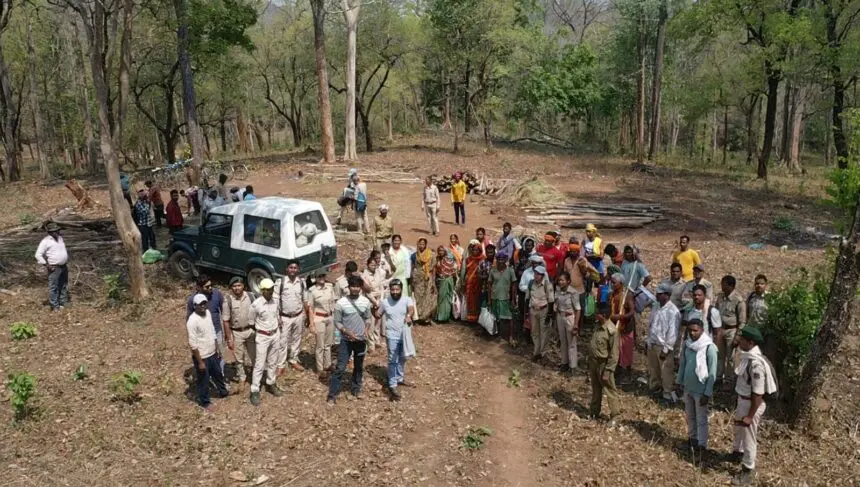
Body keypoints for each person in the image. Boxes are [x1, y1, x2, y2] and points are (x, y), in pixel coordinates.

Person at [731, 326, 778, 486]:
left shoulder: (756, 364)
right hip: (743, 400)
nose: (739, 341)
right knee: (739, 432)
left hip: (751, 405)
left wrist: (750, 416)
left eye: (742, 339)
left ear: (750, 342)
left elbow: (758, 395)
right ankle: (737, 453)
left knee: (749, 437)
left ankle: (748, 468)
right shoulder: (747, 357)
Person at [328, 275, 373, 404]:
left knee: (358, 366)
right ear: (349, 287)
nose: (355, 289)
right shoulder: (341, 303)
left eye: (357, 286)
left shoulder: (365, 302)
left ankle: (356, 389)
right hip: (346, 340)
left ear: (360, 288)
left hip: (360, 340)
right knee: (340, 368)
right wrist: (346, 331)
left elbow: (368, 318)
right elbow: (337, 322)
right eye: (353, 286)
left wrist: (367, 328)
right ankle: (332, 394)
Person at [676, 319, 717, 455]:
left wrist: (707, 393)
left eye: (695, 330)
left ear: (702, 330)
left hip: (701, 390)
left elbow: (712, 372)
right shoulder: (688, 345)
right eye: (690, 330)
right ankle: (692, 439)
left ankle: (702, 445)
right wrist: (679, 382)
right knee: (690, 416)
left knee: (701, 419)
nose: (692, 333)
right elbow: (683, 364)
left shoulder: (709, 348)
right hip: (688, 387)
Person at [374, 279, 415, 401]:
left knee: (403, 357)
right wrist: (373, 309)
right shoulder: (385, 302)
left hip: (404, 334)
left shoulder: (406, 299)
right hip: (391, 335)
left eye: (397, 289)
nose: (395, 292)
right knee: (393, 359)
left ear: (401, 289)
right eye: (393, 290)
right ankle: (392, 384)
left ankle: (400, 378)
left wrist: (408, 316)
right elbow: (378, 315)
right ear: (390, 290)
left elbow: (411, 309)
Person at [187, 294, 229, 411]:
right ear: (195, 306)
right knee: (204, 380)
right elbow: (193, 344)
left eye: (204, 303)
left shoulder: (208, 313)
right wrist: (200, 362)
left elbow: (212, 331)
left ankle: (223, 392)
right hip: (202, 356)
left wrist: (217, 348)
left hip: (212, 353)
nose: (203, 306)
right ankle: (204, 402)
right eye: (200, 304)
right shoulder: (192, 321)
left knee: (218, 374)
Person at [248, 278, 283, 406]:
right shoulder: (256, 305)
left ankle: (270, 383)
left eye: (272, 289)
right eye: (268, 290)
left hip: (275, 334)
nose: (270, 292)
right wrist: (262, 331)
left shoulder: (275, 301)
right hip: (262, 336)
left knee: (273, 361)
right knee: (259, 363)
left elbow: (276, 315)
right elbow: (251, 322)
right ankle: (255, 390)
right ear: (262, 290)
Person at [274, 260, 311, 375]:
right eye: (291, 267)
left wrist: (308, 317)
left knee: (296, 339)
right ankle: (280, 364)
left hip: (298, 315)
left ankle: (293, 359)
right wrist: (277, 318)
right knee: (283, 341)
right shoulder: (280, 282)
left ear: (298, 269)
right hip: (284, 317)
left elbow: (305, 300)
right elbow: (275, 302)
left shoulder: (301, 283)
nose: (293, 270)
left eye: (295, 268)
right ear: (287, 269)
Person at [647, 282, 681, 402]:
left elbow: (673, 332)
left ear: (667, 295)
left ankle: (667, 394)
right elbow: (651, 324)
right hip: (653, 343)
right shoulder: (656, 306)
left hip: (663, 346)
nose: (657, 295)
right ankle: (655, 388)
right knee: (653, 368)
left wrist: (666, 349)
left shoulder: (673, 311)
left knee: (666, 372)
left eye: (660, 294)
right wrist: (649, 340)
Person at [186, 274, 225, 374]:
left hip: (216, 330)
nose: (210, 288)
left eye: (211, 285)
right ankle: (208, 377)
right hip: (201, 335)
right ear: (199, 287)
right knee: (204, 357)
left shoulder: (217, 294)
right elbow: (189, 318)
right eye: (207, 287)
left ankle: (220, 376)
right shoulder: (192, 300)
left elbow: (224, 312)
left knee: (219, 355)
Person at [222, 277, 255, 393]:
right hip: (237, 333)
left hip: (251, 331)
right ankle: (242, 378)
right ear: (231, 288)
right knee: (239, 358)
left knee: (254, 355)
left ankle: (257, 377)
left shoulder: (251, 297)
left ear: (243, 286)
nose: (236, 288)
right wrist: (229, 338)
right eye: (234, 286)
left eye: (239, 285)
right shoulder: (228, 301)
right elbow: (226, 320)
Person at [715, 275, 747, 389]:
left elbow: (742, 321)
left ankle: (729, 380)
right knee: (719, 355)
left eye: (724, 284)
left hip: (731, 330)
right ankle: (718, 378)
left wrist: (737, 337)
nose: (722, 287)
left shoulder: (738, 300)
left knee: (731, 357)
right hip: (720, 329)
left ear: (731, 286)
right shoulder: (720, 297)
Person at [588, 309, 620, 423]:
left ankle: (615, 416)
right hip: (594, 363)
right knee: (596, 389)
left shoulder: (611, 331)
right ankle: (594, 413)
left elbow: (614, 354)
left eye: (598, 313)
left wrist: (608, 370)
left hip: (604, 364)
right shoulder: (597, 326)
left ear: (604, 315)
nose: (596, 315)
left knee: (610, 390)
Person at [563, 240, 599, 328]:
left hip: (580, 290)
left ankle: (580, 327)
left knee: (581, 310)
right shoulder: (567, 260)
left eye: (574, 252)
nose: (572, 253)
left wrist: (582, 267)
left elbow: (587, 275)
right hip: (569, 290)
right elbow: (565, 274)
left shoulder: (582, 260)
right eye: (571, 251)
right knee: (570, 309)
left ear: (578, 252)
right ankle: (571, 326)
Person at [308, 271, 337, 380]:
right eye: (319, 276)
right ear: (315, 278)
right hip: (319, 318)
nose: (321, 278)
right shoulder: (312, 291)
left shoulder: (329, 287)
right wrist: (311, 324)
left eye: (323, 276)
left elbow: (333, 303)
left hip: (329, 317)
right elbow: (310, 308)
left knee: (328, 344)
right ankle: (320, 368)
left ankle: (328, 365)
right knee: (320, 345)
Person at [35, 222, 69, 312]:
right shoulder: (45, 241)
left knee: (63, 284)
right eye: (53, 231)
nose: (56, 232)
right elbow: (38, 255)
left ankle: (63, 302)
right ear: (49, 232)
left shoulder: (60, 238)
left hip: (63, 266)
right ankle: (55, 306)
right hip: (54, 267)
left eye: (57, 230)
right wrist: (47, 265)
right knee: (53, 286)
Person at [609, 272, 635, 383]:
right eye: (611, 282)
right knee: (616, 351)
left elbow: (632, 312)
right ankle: (618, 371)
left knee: (626, 351)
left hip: (625, 328)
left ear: (620, 283)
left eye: (614, 283)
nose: (612, 284)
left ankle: (626, 375)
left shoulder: (626, 295)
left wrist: (619, 317)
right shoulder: (612, 294)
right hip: (615, 327)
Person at [555, 272, 581, 373]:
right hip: (560, 316)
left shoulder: (573, 293)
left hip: (570, 318)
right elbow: (556, 306)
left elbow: (578, 309)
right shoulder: (557, 291)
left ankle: (573, 366)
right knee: (563, 341)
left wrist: (576, 325)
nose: (560, 282)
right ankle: (564, 363)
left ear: (568, 281)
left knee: (572, 343)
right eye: (559, 280)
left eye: (563, 280)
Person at [528, 266, 555, 362]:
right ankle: (537, 352)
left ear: (543, 275)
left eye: (538, 274)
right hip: (533, 310)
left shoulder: (547, 285)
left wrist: (549, 314)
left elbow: (551, 300)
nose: (536, 276)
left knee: (544, 332)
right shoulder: (531, 283)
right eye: (535, 273)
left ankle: (543, 353)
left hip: (544, 310)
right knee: (534, 332)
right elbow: (528, 297)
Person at [488, 253, 516, 341]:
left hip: (505, 298)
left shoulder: (510, 270)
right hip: (495, 297)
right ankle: (499, 335)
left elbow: (514, 286)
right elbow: (489, 285)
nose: (500, 261)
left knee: (509, 317)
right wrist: (489, 299)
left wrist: (513, 299)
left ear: (505, 260)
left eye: (502, 259)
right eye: (499, 259)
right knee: (497, 317)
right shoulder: (493, 270)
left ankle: (511, 336)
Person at [362, 257, 387, 352]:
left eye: (375, 265)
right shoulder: (364, 275)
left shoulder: (378, 273)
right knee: (370, 323)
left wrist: (380, 300)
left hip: (378, 299)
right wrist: (375, 302)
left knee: (378, 322)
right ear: (368, 265)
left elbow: (381, 287)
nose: (373, 267)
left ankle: (377, 341)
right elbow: (367, 292)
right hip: (370, 301)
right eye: (371, 265)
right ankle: (371, 344)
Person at [411, 238, 437, 322]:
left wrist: (433, 281)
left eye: (423, 244)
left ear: (426, 245)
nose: (421, 246)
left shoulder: (431, 255)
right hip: (417, 279)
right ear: (417, 244)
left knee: (428, 297)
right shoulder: (414, 255)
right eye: (420, 244)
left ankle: (426, 318)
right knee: (418, 297)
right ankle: (418, 316)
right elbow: (412, 267)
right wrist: (412, 279)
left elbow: (433, 269)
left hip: (427, 278)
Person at [460, 241, 485, 322]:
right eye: (473, 250)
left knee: (477, 300)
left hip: (478, 284)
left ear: (480, 251)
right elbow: (465, 270)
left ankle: (477, 318)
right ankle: (471, 317)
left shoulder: (482, 259)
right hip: (469, 283)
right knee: (470, 300)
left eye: (477, 250)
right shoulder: (468, 259)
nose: (475, 252)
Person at [434, 246, 458, 323]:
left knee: (448, 298)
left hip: (448, 281)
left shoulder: (449, 260)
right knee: (441, 298)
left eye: (442, 251)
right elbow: (435, 270)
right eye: (439, 251)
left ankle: (446, 317)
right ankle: (440, 317)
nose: (441, 252)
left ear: (445, 252)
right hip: (440, 281)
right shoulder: (437, 259)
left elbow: (453, 271)